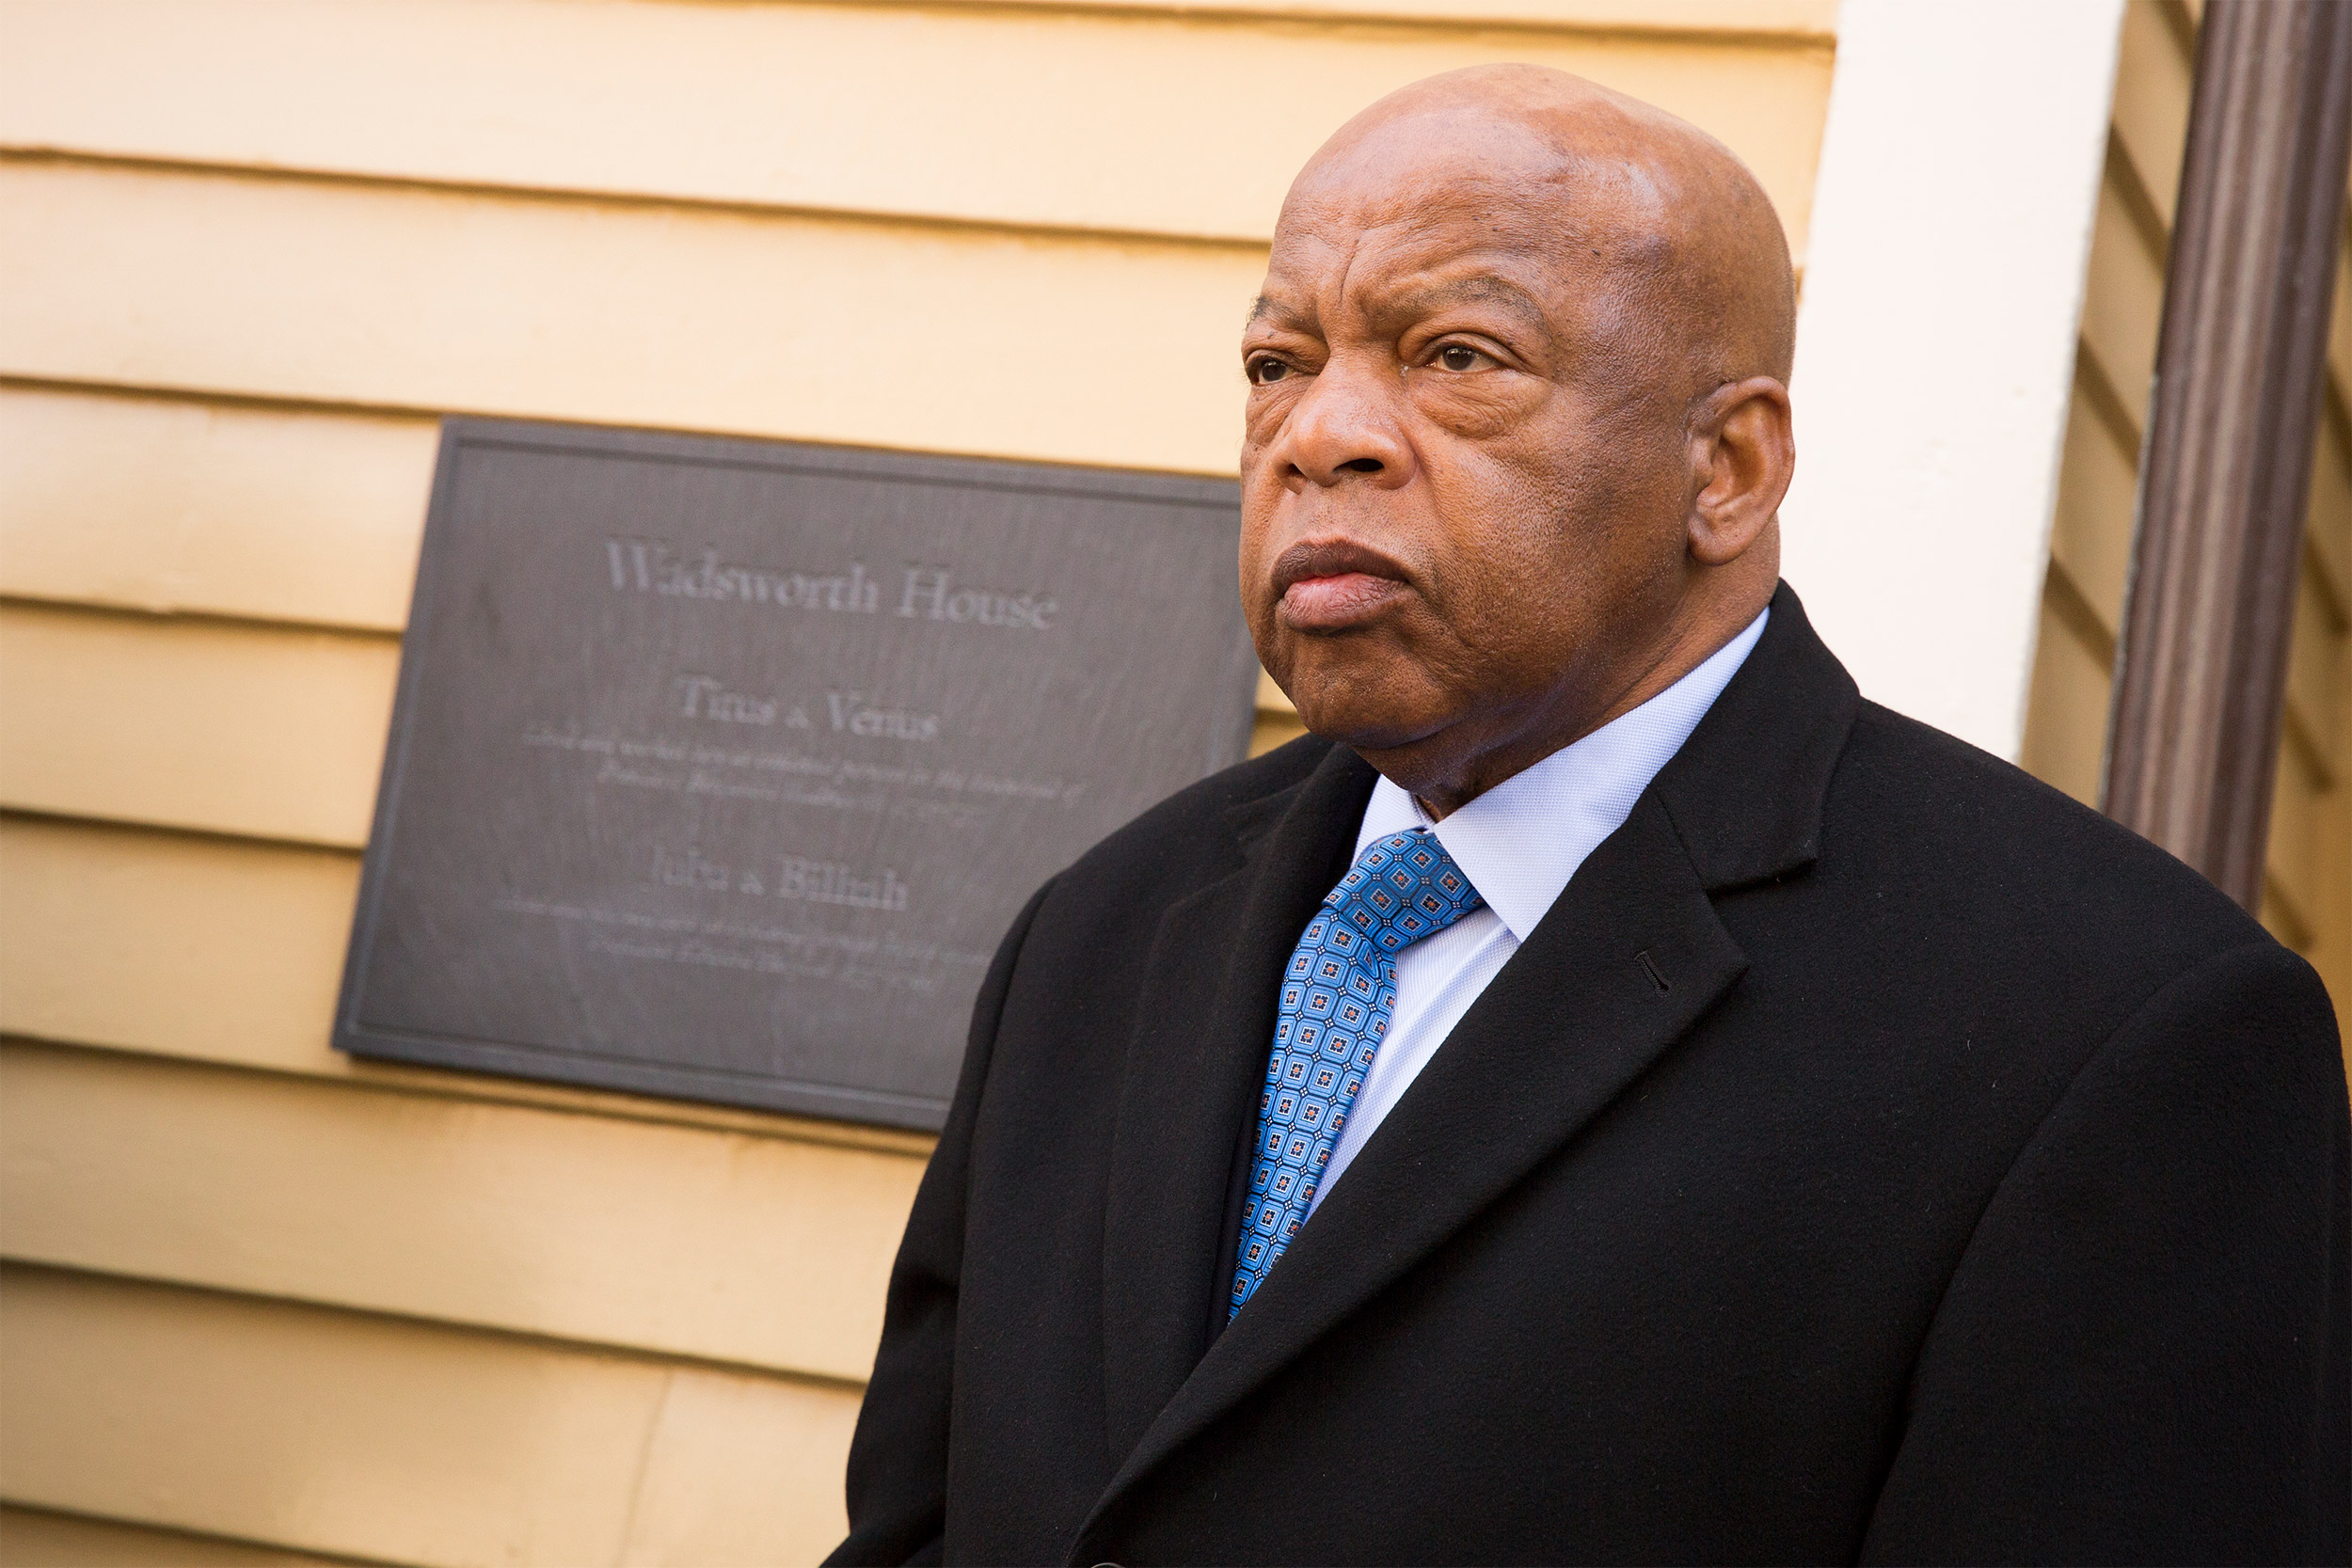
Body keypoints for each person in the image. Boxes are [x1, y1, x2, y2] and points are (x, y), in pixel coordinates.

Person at [831, 65, 2349, 1565]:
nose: (1317, 434)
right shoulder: (1098, 930)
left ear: (1730, 469)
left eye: (1460, 355)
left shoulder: (2116, 1032)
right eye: (1276, 362)